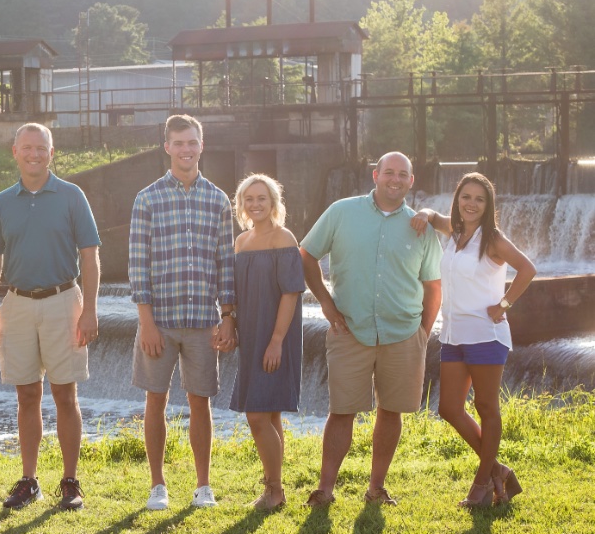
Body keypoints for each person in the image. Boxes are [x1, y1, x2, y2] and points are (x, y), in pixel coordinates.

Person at [299, 151, 442, 506]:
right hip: (350, 330)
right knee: (342, 411)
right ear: (376, 175)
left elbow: (433, 286)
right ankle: (326, 488)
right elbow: (305, 255)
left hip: (404, 334)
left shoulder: (421, 228)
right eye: (389, 172)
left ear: (411, 181)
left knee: (391, 411)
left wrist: (423, 332)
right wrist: (327, 306)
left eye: (403, 175)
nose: (395, 179)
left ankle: (376, 488)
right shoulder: (341, 212)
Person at [0, 123, 101, 511]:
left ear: (52, 152)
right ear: (15, 151)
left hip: (64, 301)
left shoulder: (71, 195)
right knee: (26, 395)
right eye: (27, 147)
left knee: (66, 394)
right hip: (16, 304)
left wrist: (91, 310)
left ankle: (70, 481)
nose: (34, 154)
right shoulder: (1, 202)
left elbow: (90, 256)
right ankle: (29, 482)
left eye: (41, 148)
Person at [129, 114, 236, 512]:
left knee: (200, 401)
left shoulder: (218, 200)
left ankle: (202, 486)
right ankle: (158, 486)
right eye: (179, 143)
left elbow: (226, 261)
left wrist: (228, 315)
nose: (186, 149)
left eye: (193, 142)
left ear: (201, 146)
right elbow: (138, 265)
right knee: (154, 400)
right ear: (167, 147)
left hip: (202, 321)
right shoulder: (148, 198)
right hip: (159, 320)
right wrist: (146, 323)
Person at [411, 173, 535, 508]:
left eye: (479, 199)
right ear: (458, 199)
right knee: (449, 407)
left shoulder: (492, 239)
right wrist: (423, 213)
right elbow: (432, 216)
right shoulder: (455, 231)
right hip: (452, 334)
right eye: (466, 197)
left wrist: (504, 304)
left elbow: (527, 268)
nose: (471, 204)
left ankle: (482, 484)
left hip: (485, 335)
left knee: (485, 408)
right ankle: (500, 471)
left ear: (487, 205)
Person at [228, 174, 305, 510]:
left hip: (276, 335)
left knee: (257, 415)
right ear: (241, 204)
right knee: (268, 415)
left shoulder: (282, 238)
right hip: (251, 334)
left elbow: (291, 292)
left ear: (274, 203)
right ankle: (275, 489)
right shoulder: (241, 242)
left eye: (262, 198)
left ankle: (273, 488)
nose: (255, 204)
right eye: (249, 199)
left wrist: (276, 341)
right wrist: (228, 322)